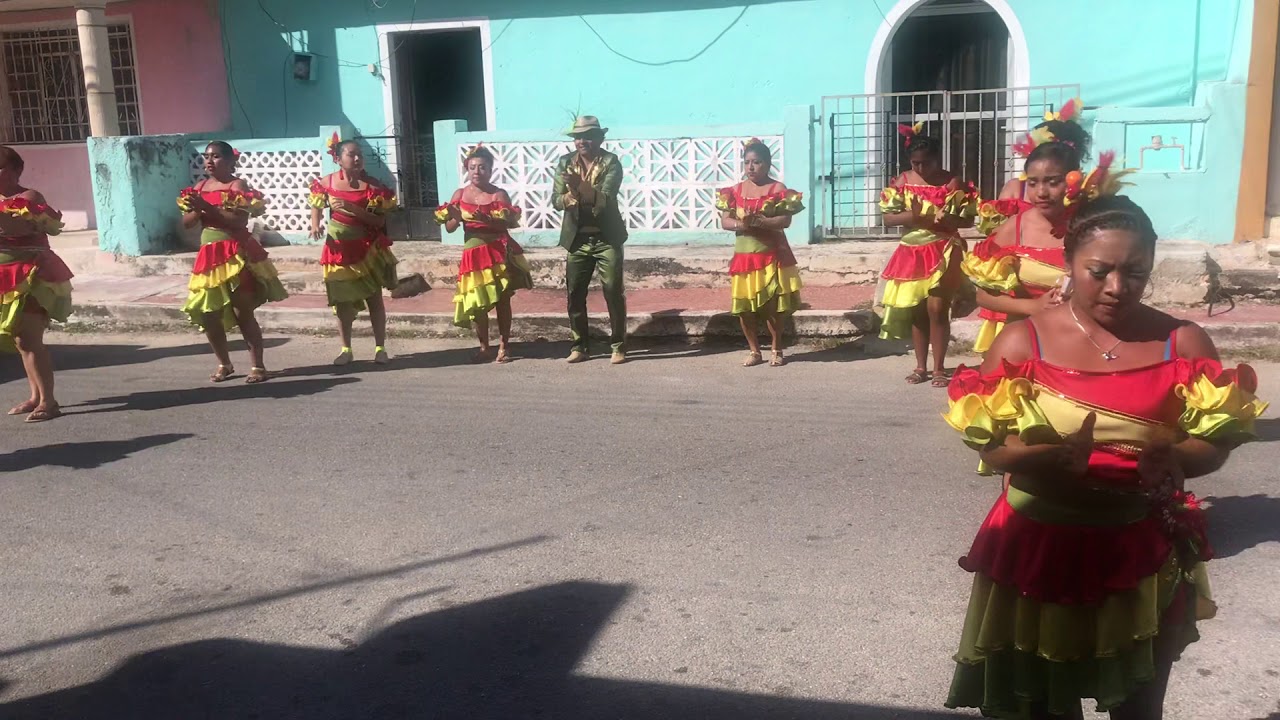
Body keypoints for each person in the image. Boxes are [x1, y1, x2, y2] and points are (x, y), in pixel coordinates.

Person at [942, 191, 1268, 719]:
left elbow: (1217, 440)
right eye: (1099, 271)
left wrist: (1180, 458)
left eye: (1136, 273)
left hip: (1138, 550)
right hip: (1038, 546)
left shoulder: (1183, 342)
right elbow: (991, 444)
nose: (1118, 288)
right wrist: (1045, 460)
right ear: (1069, 264)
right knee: (1042, 706)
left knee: (1137, 707)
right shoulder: (1022, 343)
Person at [965, 104, 1093, 353]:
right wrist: (1032, 307)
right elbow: (983, 296)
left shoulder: (1092, 225)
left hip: (1080, 343)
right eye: (1033, 183)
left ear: (1073, 179)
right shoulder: (1015, 227)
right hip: (1023, 343)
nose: (1041, 192)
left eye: (1053, 182)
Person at [179, 141, 289, 384]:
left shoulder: (237, 185)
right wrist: (197, 209)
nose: (209, 161)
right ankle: (224, 364)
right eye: (207, 156)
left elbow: (238, 221)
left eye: (216, 156)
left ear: (230, 161)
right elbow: (187, 223)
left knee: (242, 312)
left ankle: (258, 366)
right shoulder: (199, 187)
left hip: (235, 252)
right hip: (209, 255)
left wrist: (206, 207)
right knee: (209, 313)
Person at [878, 123, 977, 386]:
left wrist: (950, 218)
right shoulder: (902, 181)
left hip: (944, 246)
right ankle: (920, 367)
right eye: (916, 163)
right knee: (918, 310)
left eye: (927, 163)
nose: (921, 168)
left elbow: (968, 220)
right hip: (912, 250)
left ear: (937, 159)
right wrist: (915, 217)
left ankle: (939, 368)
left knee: (937, 307)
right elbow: (888, 218)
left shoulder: (952, 182)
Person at [434, 144, 533, 363]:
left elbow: (509, 224)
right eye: (472, 167)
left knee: (502, 300)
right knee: (477, 301)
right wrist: (455, 217)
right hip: (473, 255)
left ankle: (504, 346)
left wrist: (489, 220)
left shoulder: (498, 194)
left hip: (497, 252)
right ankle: (484, 347)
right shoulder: (460, 194)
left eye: (482, 167)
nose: (477, 172)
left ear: (490, 170)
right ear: (467, 170)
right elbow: (450, 228)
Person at [308, 136, 399, 366]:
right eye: (352, 154)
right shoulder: (327, 182)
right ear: (338, 159)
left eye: (360, 154)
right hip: (338, 248)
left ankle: (380, 348)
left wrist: (352, 208)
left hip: (366, 248)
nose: (357, 158)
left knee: (374, 298)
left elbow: (379, 222)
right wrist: (315, 224)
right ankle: (346, 349)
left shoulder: (373, 186)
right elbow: (316, 204)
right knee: (342, 302)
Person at [716, 139, 804, 367]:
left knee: (771, 305)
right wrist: (742, 225)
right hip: (744, 256)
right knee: (744, 307)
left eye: (756, 162)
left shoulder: (778, 189)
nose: (751, 167)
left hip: (770, 255)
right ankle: (754, 351)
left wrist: (762, 222)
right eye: (747, 162)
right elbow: (725, 221)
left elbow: (785, 220)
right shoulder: (734, 191)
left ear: (768, 164)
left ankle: (776, 348)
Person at [0, 146, 71, 423]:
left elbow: (16, 227)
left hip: (32, 275)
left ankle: (48, 402)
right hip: (5, 277)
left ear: (17, 170)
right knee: (20, 340)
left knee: (28, 339)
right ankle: (35, 396)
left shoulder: (28, 198)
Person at [553, 115, 628, 365]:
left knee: (613, 291)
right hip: (577, 239)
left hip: (607, 238)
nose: (582, 141)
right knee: (574, 293)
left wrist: (580, 186)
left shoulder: (611, 162)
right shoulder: (565, 163)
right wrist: (569, 197)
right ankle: (580, 346)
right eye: (577, 137)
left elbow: (605, 199)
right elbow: (556, 200)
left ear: (600, 138)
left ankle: (618, 345)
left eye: (588, 136)